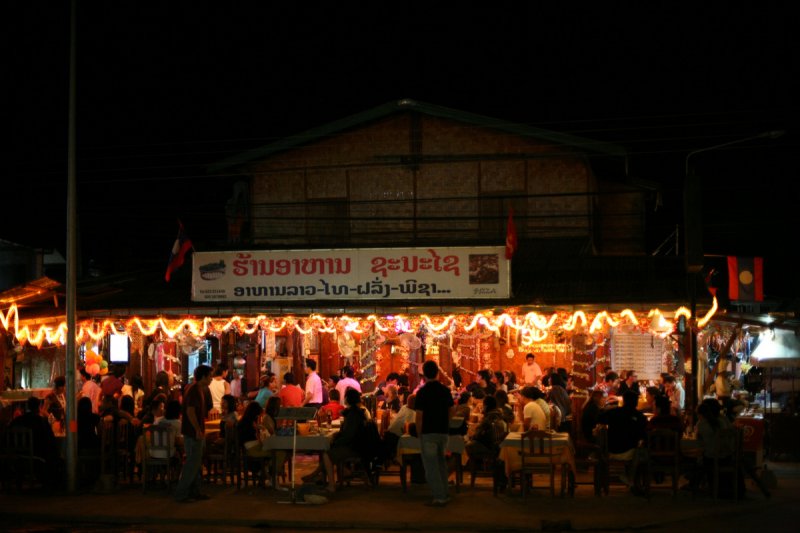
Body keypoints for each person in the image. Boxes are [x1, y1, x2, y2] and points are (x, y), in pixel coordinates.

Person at [414, 360, 455, 507]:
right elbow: (452, 409)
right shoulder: (445, 390)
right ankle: (445, 493)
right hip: (443, 432)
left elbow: (419, 416)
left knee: (432, 467)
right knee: (441, 464)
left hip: (428, 433)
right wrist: (446, 422)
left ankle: (439, 497)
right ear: (437, 373)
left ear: (424, 374)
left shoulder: (422, 392)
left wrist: (419, 433)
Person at [174, 364, 213, 503]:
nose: (211, 379)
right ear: (203, 376)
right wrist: (197, 429)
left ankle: (195, 491)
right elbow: (190, 411)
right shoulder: (195, 390)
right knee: (192, 464)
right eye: (210, 376)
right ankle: (181, 493)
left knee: (196, 464)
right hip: (192, 432)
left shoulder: (197, 389)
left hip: (194, 431)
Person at [598, 390, 648, 493]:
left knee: (638, 451)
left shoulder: (614, 412)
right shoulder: (639, 416)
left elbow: (600, 418)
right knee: (643, 453)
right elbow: (644, 436)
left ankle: (631, 479)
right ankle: (634, 481)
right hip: (629, 451)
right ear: (636, 402)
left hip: (611, 449)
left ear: (624, 401)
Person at [465, 395, 507, 467]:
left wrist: (472, 437)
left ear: (486, 406)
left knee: (468, 445)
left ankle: (475, 466)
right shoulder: (498, 414)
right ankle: (480, 464)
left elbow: (478, 434)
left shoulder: (489, 417)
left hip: (491, 446)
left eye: (483, 405)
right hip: (498, 445)